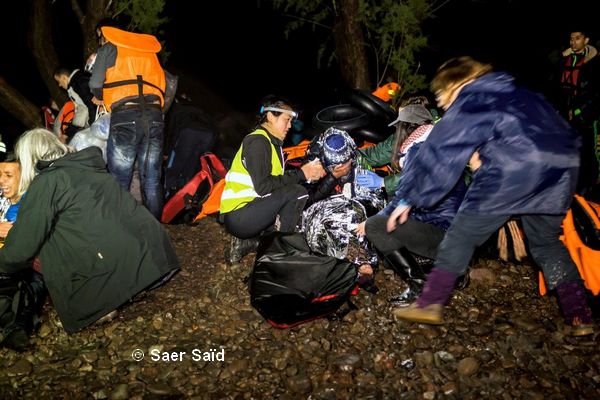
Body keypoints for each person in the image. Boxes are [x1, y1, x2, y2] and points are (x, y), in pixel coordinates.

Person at [390, 56, 594, 337]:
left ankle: (430, 303)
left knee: (460, 235)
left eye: (440, 92)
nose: (439, 101)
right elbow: (564, 132)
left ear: (456, 84)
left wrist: (408, 197)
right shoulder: (522, 94)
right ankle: (579, 316)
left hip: (514, 170)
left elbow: (440, 152)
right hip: (562, 169)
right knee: (547, 244)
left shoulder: (472, 98)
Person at [0, 129, 180, 334]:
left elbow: (20, 249)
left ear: (29, 157)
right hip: (153, 253)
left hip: (118, 271)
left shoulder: (47, 182)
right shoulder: (86, 167)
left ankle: (99, 301)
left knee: (40, 245)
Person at [356, 102, 468, 305]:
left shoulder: (418, 151)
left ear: (407, 127)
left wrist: (374, 219)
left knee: (376, 227)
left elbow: (407, 194)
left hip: (442, 232)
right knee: (395, 222)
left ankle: (419, 287)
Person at [220, 96, 325, 264]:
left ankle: (250, 243)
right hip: (239, 215)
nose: (290, 126)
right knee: (297, 193)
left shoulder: (271, 143)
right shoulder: (258, 141)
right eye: (286, 120)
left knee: (297, 204)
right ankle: (279, 254)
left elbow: (276, 184)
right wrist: (301, 174)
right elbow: (263, 186)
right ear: (270, 116)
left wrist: (308, 174)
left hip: (251, 209)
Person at [89, 23, 166, 219]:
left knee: (120, 178)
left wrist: (102, 95)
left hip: (126, 116)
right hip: (154, 116)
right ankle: (154, 231)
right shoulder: (149, 51)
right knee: (151, 179)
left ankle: (120, 232)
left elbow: (95, 83)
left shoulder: (109, 48)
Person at [0, 151, 46, 350]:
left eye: (8, 175)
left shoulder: (31, 202)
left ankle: (17, 327)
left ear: (23, 176)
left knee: (31, 282)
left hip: (24, 266)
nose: (1, 181)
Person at [556, 29, 600, 195]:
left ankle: (591, 186)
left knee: (589, 151)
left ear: (586, 40)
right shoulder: (563, 61)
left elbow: (596, 93)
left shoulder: (595, 63)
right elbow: (558, 88)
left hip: (586, 116)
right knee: (568, 149)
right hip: (566, 114)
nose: (573, 42)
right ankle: (571, 184)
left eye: (578, 38)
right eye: (571, 38)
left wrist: (580, 110)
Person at [53, 67, 97, 136]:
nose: (59, 85)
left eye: (59, 81)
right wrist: (67, 134)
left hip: (98, 120)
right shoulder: (76, 83)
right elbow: (81, 111)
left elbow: (91, 104)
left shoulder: (78, 83)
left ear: (64, 77)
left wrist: (93, 124)